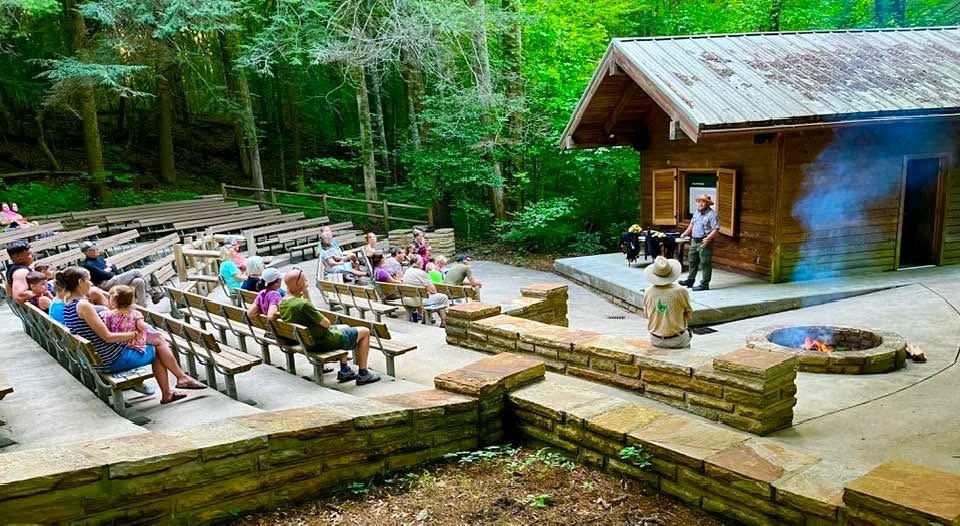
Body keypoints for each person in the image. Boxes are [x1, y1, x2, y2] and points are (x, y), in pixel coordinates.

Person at [56, 267, 206, 404]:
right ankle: (173, 387)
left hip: (98, 357)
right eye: (88, 280)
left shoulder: (67, 303)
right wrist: (135, 333)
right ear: (80, 282)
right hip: (110, 360)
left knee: (158, 340)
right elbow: (107, 336)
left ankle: (180, 381)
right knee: (159, 349)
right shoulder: (83, 305)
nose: (91, 283)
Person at [277, 268, 381, 385]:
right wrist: (306, 295)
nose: (307, 282)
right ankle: (363, 373)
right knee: (365, 331)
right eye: (305, 280)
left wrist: (305, 293)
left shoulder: (283, 302)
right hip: (323, 342)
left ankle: (345, 370)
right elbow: (326, 324)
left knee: (344, 326)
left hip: (306, 342)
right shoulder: (302, 304)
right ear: (299, 283)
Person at [99, 285, 171, 363]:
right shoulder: (135, 314)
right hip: (132, 343)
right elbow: (142, 327)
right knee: (159, 341)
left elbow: (105, 326)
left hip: (117, 343)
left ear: (113, 300)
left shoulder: (107, 314)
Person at [643, 256, 693, 349]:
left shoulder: (648, 292)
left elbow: (647, 314)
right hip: (677, 340)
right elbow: (689, 315)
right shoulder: (681, 291)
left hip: (655, 339)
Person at [80, 241, 149, 306]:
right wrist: (108, 270)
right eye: (93, 249)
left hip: (112, 280)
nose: (97, 250)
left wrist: (108, 270)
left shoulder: (100, 259)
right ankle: (152, 293)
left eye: (96, 249)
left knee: (139, 281)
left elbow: (114, 268)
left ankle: (143, 307)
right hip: (105, 284)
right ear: (87, 253)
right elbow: (106, 275)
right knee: (136, 272)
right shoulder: (88, 264)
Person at [678, 194, 720, 291]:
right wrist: (685, 233)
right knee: (692, 261)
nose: (701, 204)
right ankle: (690, 280)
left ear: (708, 204)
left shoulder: (712, 215)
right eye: (700, 201)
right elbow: (692, 224)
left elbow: (716, 229)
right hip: (694, 240)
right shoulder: (697, 212)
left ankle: (704, 284)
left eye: (703, 202)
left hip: (704, 241)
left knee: (705, 263)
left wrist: (708, 239)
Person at [402, 254, 448, 326]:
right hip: (419, 300)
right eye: (422, 262)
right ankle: (443, 320)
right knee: (443, 297)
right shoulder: (421, 273)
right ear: (419, 263)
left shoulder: (407, 271)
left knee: (437, 298)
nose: (423, 263)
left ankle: (425, 319)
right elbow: (433, 290)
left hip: (406, 299)